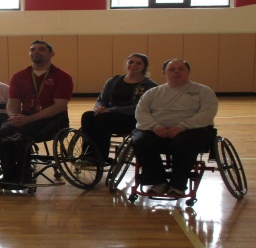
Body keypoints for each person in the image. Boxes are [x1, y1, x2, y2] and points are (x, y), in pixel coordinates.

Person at [0, 40, 73, 189]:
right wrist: (13, 116)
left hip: (52, 120)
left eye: (41, 49)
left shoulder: (62, 76)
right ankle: (9, 176)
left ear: (51, 54)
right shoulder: (19, 76)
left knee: (19, 136)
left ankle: (24, 173)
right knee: (3, 133)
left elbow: (60, 106)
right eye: (32, 50)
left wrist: (28, 120)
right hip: (26, 117)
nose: (36, 52)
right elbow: (13, 102)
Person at [131, 59, 218, 196]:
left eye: (181, 69)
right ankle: (159, 182)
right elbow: (141, 112)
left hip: (192, 130)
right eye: (172, 69)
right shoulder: (153, 93)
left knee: (184, 143)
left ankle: (178, 185)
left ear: (188, 72)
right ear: (164, 73)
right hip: (157, 130)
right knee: (141, 141)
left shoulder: (203, 91)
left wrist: (182, 127)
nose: (176, 72)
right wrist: (155, 127)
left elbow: (208, 113)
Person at [80, 53, 157, 162]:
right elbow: (102, 99)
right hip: (109, 116)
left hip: (132, 119)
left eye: (138, 63)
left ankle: (100, 158)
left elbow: (138, 108)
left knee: (102, 120)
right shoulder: (114, 81)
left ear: (144, 67)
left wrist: (110, 110)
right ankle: (89, 155)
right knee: (88, 116)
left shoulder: (149, 85)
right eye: (131, 62)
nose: (133, 65)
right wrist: (99, 107)